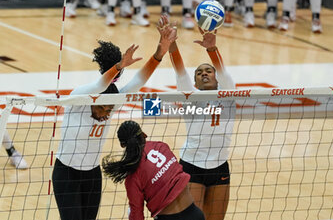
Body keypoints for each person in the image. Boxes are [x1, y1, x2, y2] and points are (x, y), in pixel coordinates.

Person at [52, 18, 177, 220]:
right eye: (102, 109)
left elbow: (139, 81)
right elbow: (98, 86)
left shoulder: (112, 101)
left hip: (92, 174)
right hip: (67, 174)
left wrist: (159, 53)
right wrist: (119, 66)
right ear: (93, 102)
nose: (106, 114)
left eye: (109, 110)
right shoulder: (81, 98)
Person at [165, 16, 235, 220]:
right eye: (198, 73)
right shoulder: (191, 97)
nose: (204, 74)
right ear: (195, 82)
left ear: (216, 78)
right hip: (192, 165)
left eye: (208, 71)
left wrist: (212, 49)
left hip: (220, 165)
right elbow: (179, 70)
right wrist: (171, 43)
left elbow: (223, 70)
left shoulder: (228, 95)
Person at [102, 120, 205, 220]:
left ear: (123, 145)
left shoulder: (132, 177)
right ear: (143, 134)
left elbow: (136, 214)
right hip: (195, 214)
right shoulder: (161, 146)